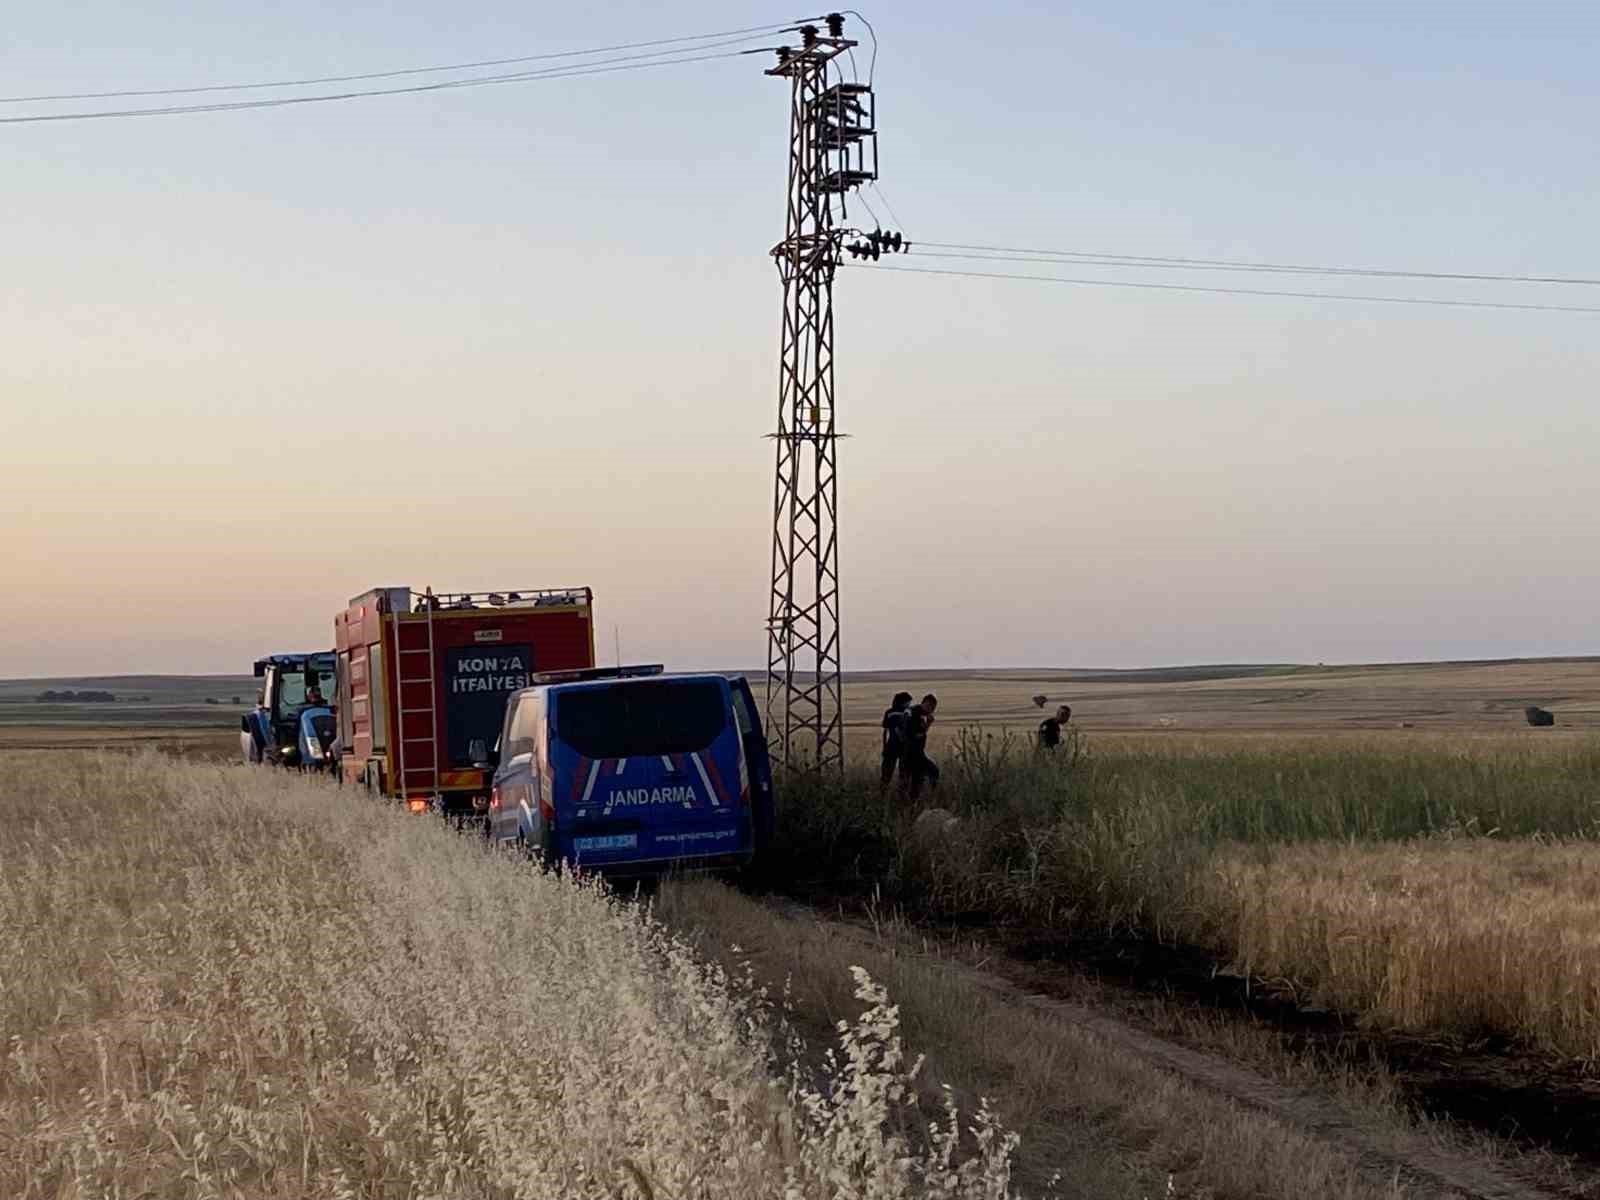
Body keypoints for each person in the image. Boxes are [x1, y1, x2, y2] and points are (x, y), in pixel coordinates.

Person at [903, 693, 940, 800]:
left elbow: (919, 733)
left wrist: (926, 725)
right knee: (930, 773)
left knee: (917, 780)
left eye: (932, 708)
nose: (930, 710)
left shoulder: (916, 713)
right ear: (923, 703)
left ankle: (914, 802)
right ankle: (928, 798)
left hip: (916, 753)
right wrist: (927, 724)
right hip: (912, 753)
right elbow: (915, 733)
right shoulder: (915, 714)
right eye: (928, 706)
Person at [880, 691, 913, 789]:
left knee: (886, 774)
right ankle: (902, 795)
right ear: (904, 702)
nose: (909, 704)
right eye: (908, 702)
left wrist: (884, 746)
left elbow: (885, 729)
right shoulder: (908, 712)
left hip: (891, 745)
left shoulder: (889, 712)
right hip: (903, 747)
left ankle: (883, 793)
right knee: (904, 774)